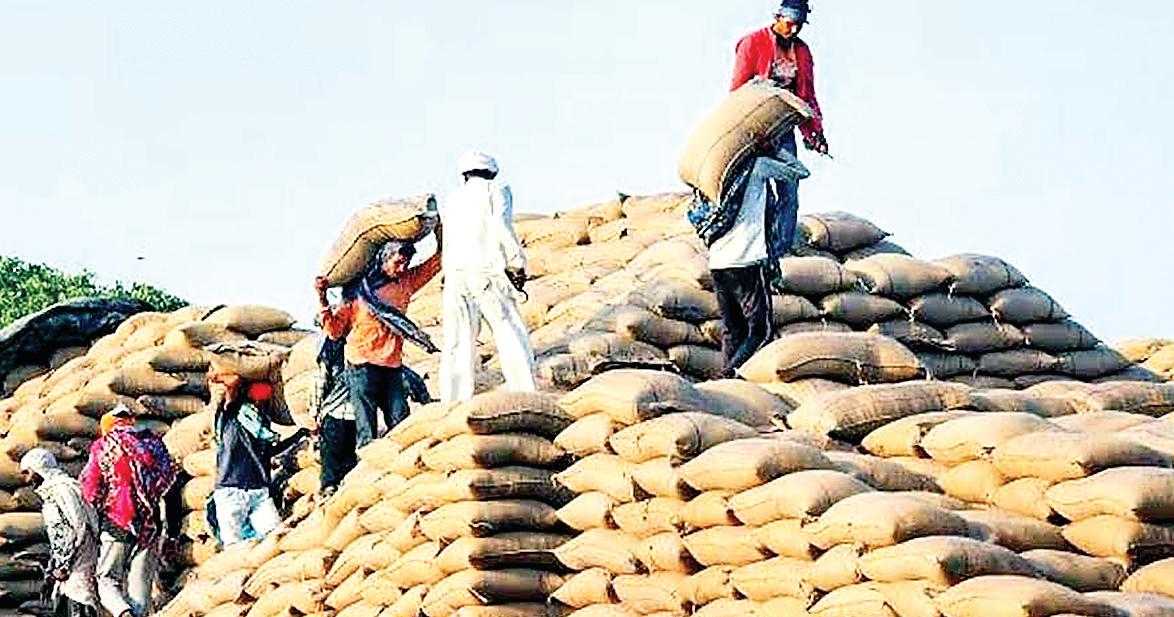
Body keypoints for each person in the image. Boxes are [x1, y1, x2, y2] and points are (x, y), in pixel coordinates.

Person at [728, 0, 828, 278]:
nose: (793, 30)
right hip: (755, 130)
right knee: (759, 192)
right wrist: (748, 131)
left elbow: (807, 96)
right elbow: (738, 91)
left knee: (789, 190)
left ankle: (779, 254)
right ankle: (755, 250)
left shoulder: (802, 52)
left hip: (783, 131)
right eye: (790, 23)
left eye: (799, 25)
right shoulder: (752, 43)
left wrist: (816, 132)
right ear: (778, 17)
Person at [315, 234, 442, 446]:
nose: (402, 268)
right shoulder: (356, 292)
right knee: (367, 428)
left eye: (406, 263)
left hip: (392, 365)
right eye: (397, 263)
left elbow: (436, 263)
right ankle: (367, 464)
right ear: (383, 258)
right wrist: (322, 299)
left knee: (401, 422)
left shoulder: (405, 282)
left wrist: (439, 230)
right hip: (361, 367)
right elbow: (335, 332)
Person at [439, 151, 536, 402]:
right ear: (491, 173)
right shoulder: (497, 190)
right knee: (509, 331)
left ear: (465, 175)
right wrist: (517, 262)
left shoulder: (454, 198)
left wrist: (446, 272)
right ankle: (525, 392)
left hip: (456, 275)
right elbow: (501, 226)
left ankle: (453, 400)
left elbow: (447, 238)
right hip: (486, 272)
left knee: (457, 340)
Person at [80, 405, 176, 617]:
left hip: (118, 520)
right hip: (150, 523)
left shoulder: (104, 446)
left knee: (106, 579)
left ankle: (123, 612)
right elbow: (168, 480)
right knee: (141, 583)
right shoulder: (154, 443)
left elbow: (91, 488)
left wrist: (98, 512)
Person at [207, 372, 307, 546]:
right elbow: (232, 387)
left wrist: (300, 434)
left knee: (274, 536)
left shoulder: (263, 425)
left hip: (259, 490)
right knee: (233, 544)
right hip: (231, 490)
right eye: (257, 401)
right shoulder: (232, 416)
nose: (260, 405)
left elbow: (270, 452)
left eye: (263, 402)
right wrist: (221, 380)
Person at [20, 448, 99, 617]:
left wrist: (63, 565)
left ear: (38, 467)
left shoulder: (62, 490)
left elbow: (75, 528)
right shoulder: (56, 491)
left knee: (79, 604)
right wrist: (52, 571)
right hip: (71, 568)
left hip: (77, 566)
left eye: (28, 472)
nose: (26, 479)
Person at [313, 336, 357, 496]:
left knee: (331, 457)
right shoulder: (363, 347)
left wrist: (315, 412)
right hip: (359, 416)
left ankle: (330, 489)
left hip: (335, 412)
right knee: (351, 459)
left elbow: (320, 383)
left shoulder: (331, 349)